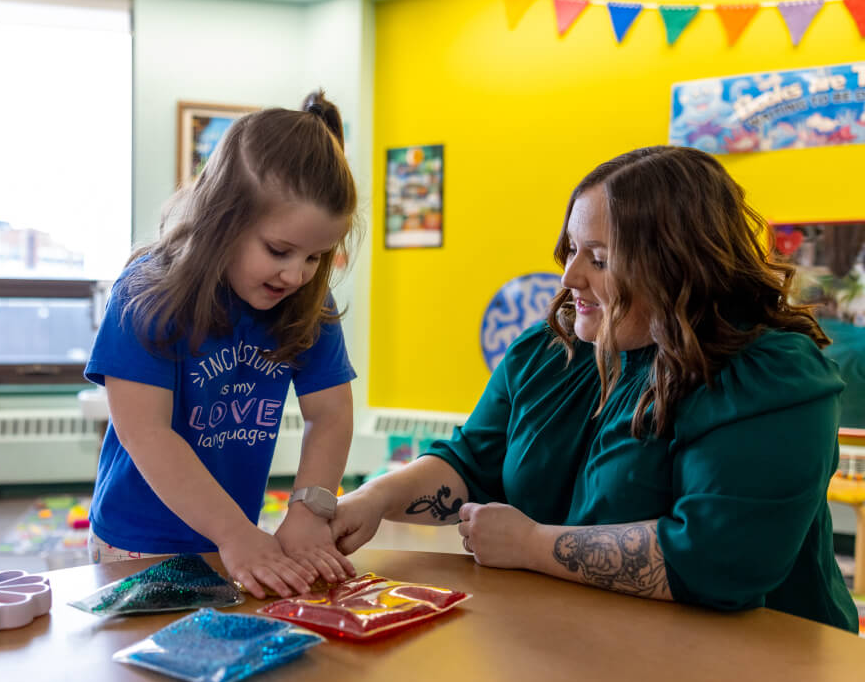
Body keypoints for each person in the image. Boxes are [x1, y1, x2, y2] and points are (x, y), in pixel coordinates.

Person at [332, 145, 858, 632]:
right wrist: (370, 500)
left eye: (600, 259)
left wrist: (533, 545)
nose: (569, 276)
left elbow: (717, 559)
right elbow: (472, 464)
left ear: (676, 266)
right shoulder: (550, 349)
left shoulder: (769, 374)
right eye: (571, 250)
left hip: (759, 664)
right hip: (587, 644)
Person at [85, 90, 360, 599]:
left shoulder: (306, 302)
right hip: (138, 543)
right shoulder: (148, 292)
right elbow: (145, 431)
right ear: (222, 218)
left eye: (315, 257)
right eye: (279, 250)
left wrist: (309, 510)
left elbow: (331, 415)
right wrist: (235, 534)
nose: (296, 275)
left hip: (233, 539)